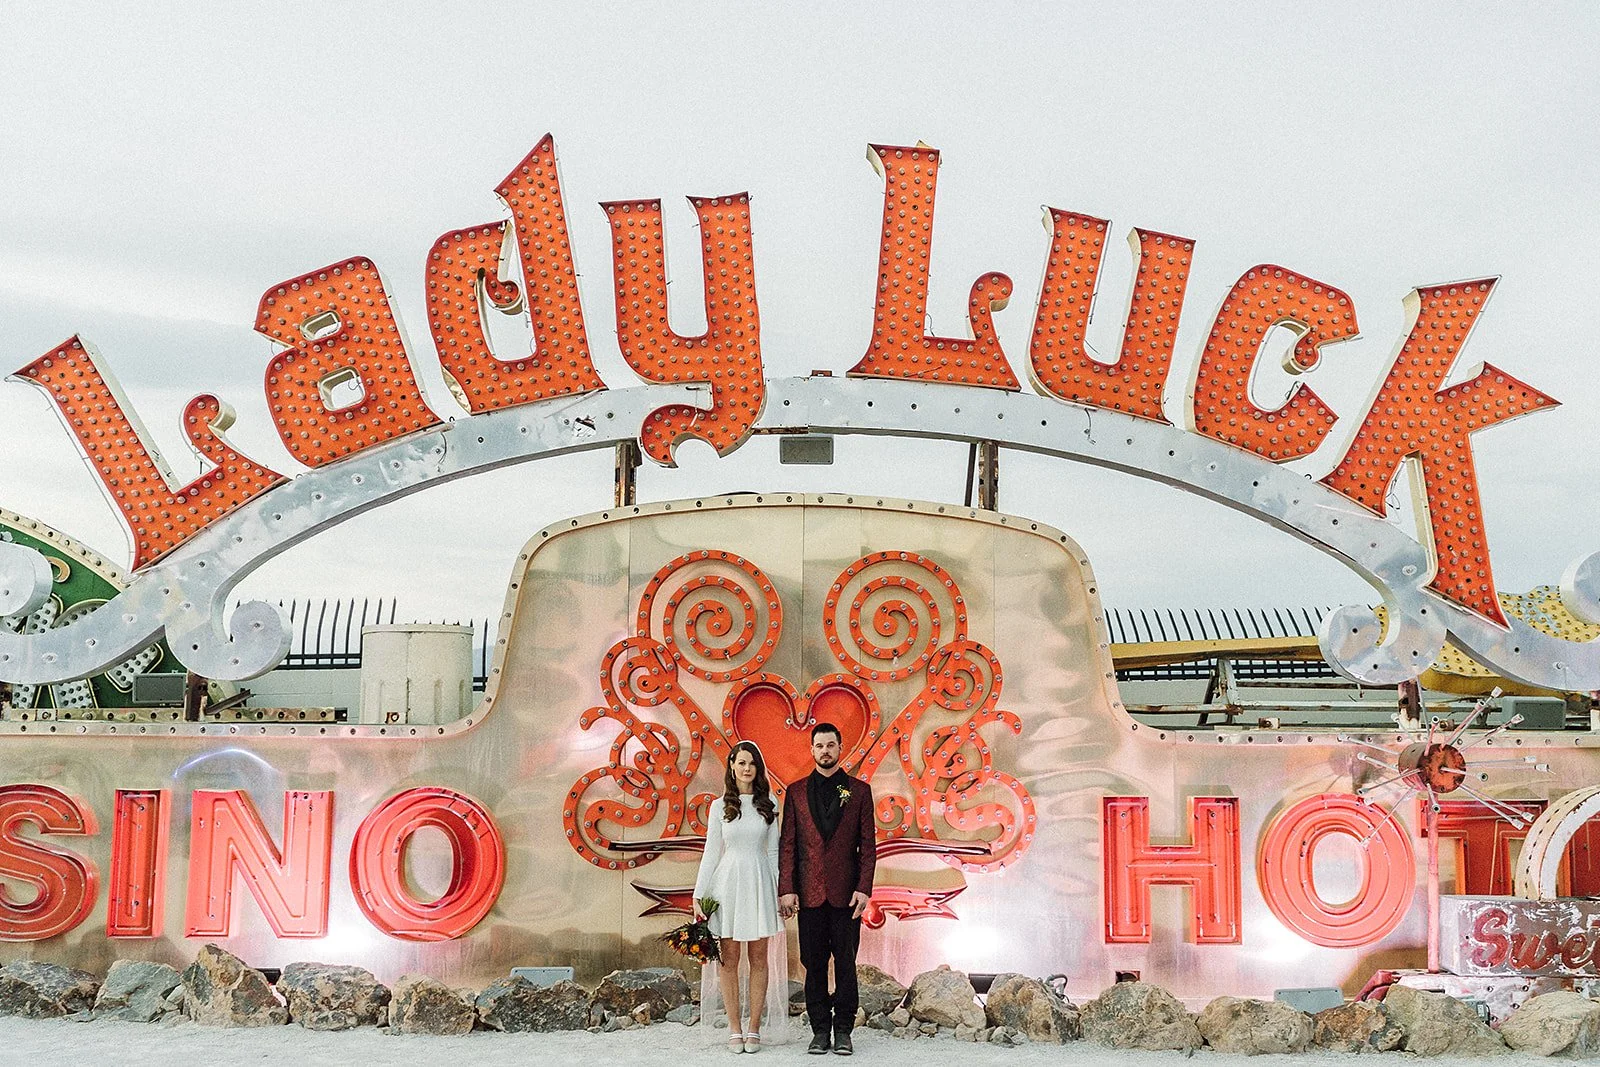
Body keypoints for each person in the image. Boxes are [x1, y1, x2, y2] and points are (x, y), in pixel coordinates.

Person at [778, 723, 876, 1056]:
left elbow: (868, 845)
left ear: (840, 747)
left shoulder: (860, 792)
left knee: (847, 962)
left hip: (847, 895)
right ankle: (820, 1029)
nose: (825, 751)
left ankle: (844, 1030)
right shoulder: (794, 792)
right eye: (819, 746)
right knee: (813, 961)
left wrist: (864, 889)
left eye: (830, 745)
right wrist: (786, 888)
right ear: (811, 749)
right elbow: (788, 845)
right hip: (808, 894)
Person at [694, 740, 788, 1053]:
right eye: (741, 762)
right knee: (729, 959)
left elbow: (774, 852)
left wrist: (779, 892)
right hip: (727, 886)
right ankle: (734, 1028)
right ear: (732, 767)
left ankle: (754, 1028)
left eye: (752, 763)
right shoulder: (719, 806)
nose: (747, 768)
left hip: (759, 882)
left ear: (758, 769)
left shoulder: (769, 804)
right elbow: (710, 853)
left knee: (759, 958)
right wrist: (699, 894)